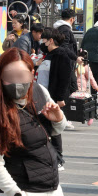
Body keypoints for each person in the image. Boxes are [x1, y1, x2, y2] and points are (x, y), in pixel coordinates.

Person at [0, 47, 72, 196]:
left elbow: (54, 131)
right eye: (9, 76)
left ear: (32, 74)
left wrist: (58, 118)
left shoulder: (39, 91)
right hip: (21, 190)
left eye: (21, 75)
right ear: (0, 77)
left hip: (50, 186)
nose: (16, 82)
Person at [36, 27, 73, 166]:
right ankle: (52, 157)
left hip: (53, 97)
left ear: (50, 40)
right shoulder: (50, 55)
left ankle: (58, 158)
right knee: (48, 126)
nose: (42, 43)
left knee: (54, 128)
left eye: (44, 40)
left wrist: (60, 98)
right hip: (43, 96)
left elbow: (64, 78)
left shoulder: (60, 55)